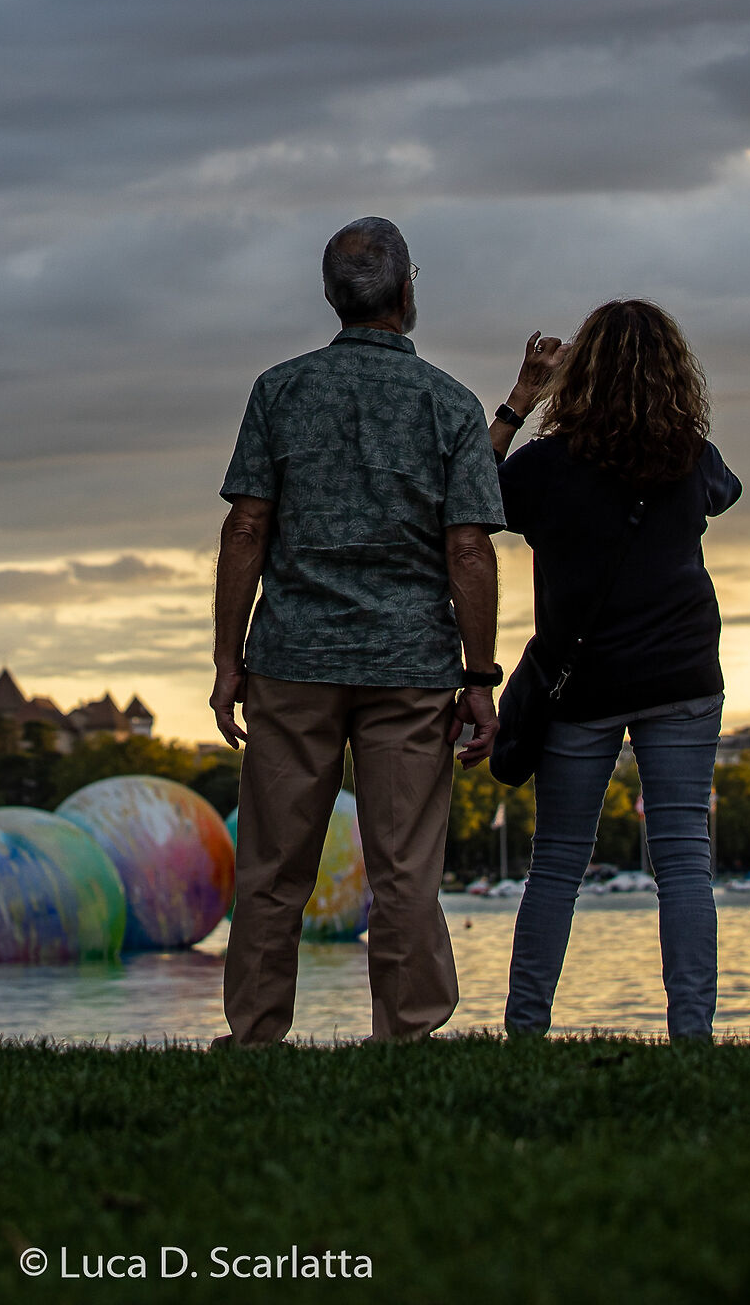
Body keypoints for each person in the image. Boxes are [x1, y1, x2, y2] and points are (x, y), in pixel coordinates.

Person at [211, 214, 561, 1045]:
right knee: (405, 866)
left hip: (291, 660)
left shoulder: (278, 391)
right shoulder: (446, 403)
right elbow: (468, 546)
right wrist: (480, 679)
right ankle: (406, 1032)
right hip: (410, 666)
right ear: (408, 295)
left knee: (271, 867)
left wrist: (229, 661)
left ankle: (255, 1035)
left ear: (332, 298)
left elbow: (246, 530)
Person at [491, 297, 741, 1041]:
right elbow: (721, 497)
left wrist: (519, 401)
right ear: (674, 373)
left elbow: (466, 494)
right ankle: (692, 1034)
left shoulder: (545, 468)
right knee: (685, 860)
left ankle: (525, 1029)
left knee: (558, 864)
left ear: (582, 371)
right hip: (683, 675)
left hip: (583, 682)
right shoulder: (691, 455)